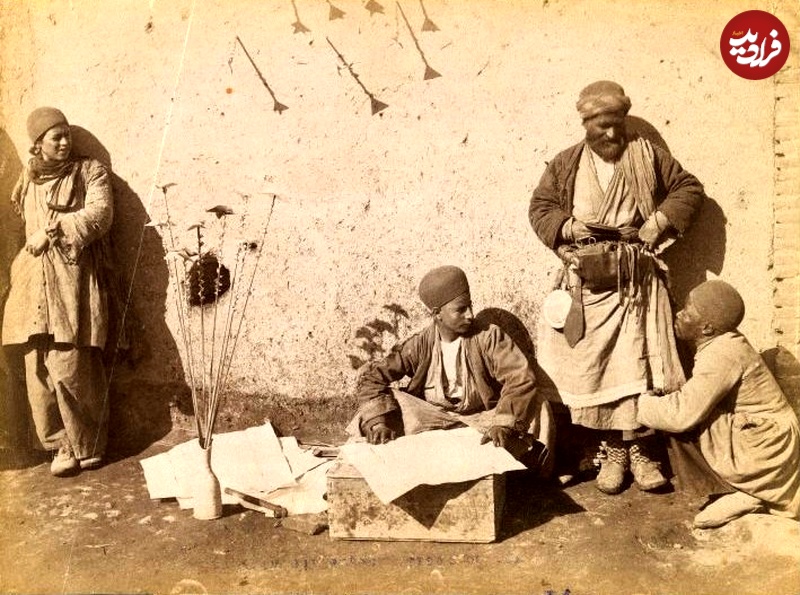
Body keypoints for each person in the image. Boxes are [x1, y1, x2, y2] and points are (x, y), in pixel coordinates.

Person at [528, 81, 705, 494]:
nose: (611, 135)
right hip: (587, 282)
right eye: (602, 126)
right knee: (593, 370)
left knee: (640, 367)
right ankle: (611, 451)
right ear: (586, 124)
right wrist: (568, 227)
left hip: (637, 283)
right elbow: (540, 208)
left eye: (617, 125)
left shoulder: (648, 156)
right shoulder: (566, 163)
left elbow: (689, 189)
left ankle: (642, 453)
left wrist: (658, 221)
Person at [346, 265, 555, 476]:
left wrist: (502, 423)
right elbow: (372, 378)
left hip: (482, 418)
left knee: (539, 405)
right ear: (438, 314)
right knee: (380, 410)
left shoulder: (488, 336)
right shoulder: (419, 344)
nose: (471, 315)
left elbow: (519, 378)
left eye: (470, 306)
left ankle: (526, 471)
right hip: (431, 418)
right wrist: (379, 423)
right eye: (461, 309)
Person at [2, 107, 114, 476]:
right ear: (38, 144)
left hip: (72, 278)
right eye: (56, 137)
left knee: (71, 360)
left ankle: (88, 442)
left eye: (67, 134)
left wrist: (53, 231)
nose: (66, 142)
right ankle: (58, 446)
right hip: (33, 281)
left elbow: (100, 214)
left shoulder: (89, 171)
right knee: (38, 365)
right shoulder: (27, 180)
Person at [636, 280, 800, 528]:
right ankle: (753, 490)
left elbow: (682, 414)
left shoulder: (721, 354)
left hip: (766, 448)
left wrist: (641, 404)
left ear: (708, 328)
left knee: (680, 416)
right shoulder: (725, 341)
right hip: (770, 441)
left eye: (687, 312)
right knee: (682, 406)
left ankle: (746, 491)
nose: (679, 314)